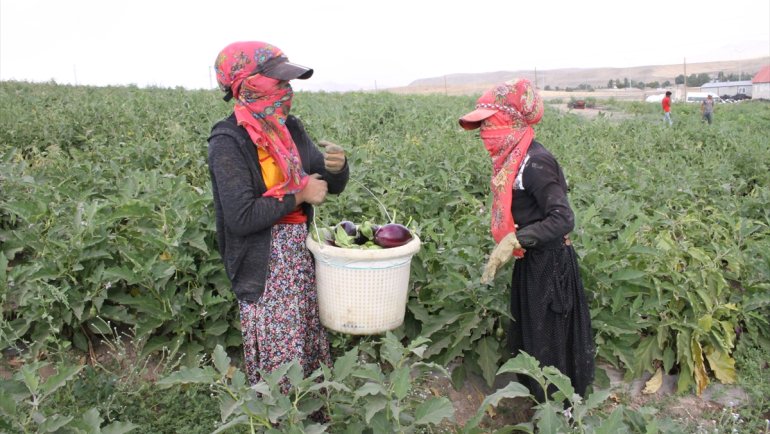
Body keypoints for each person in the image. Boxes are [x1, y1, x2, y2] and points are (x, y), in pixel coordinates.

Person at [207, 41, 350, 390]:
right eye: (279, 82)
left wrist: (338, 169)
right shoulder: (228, 140)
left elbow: (327, 179)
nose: (287, 90)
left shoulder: (289, 128)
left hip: (300, 257)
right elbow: (240, 216)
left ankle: (315, 420)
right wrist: (298, 194)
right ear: (246, 85)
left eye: (289, 83)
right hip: (264, 267)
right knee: (282, 360)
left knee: (307, 342)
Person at [459, 79, 595, 402]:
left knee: (550, 345)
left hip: (550, 268)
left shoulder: (535, 163)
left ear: (510, 122)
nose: (483, 133)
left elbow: (563, 219)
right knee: (534, 340)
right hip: (531, 262)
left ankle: (559, 413)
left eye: (488, 124)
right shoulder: (514, 159)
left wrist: (515, 239)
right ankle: (541, 407)